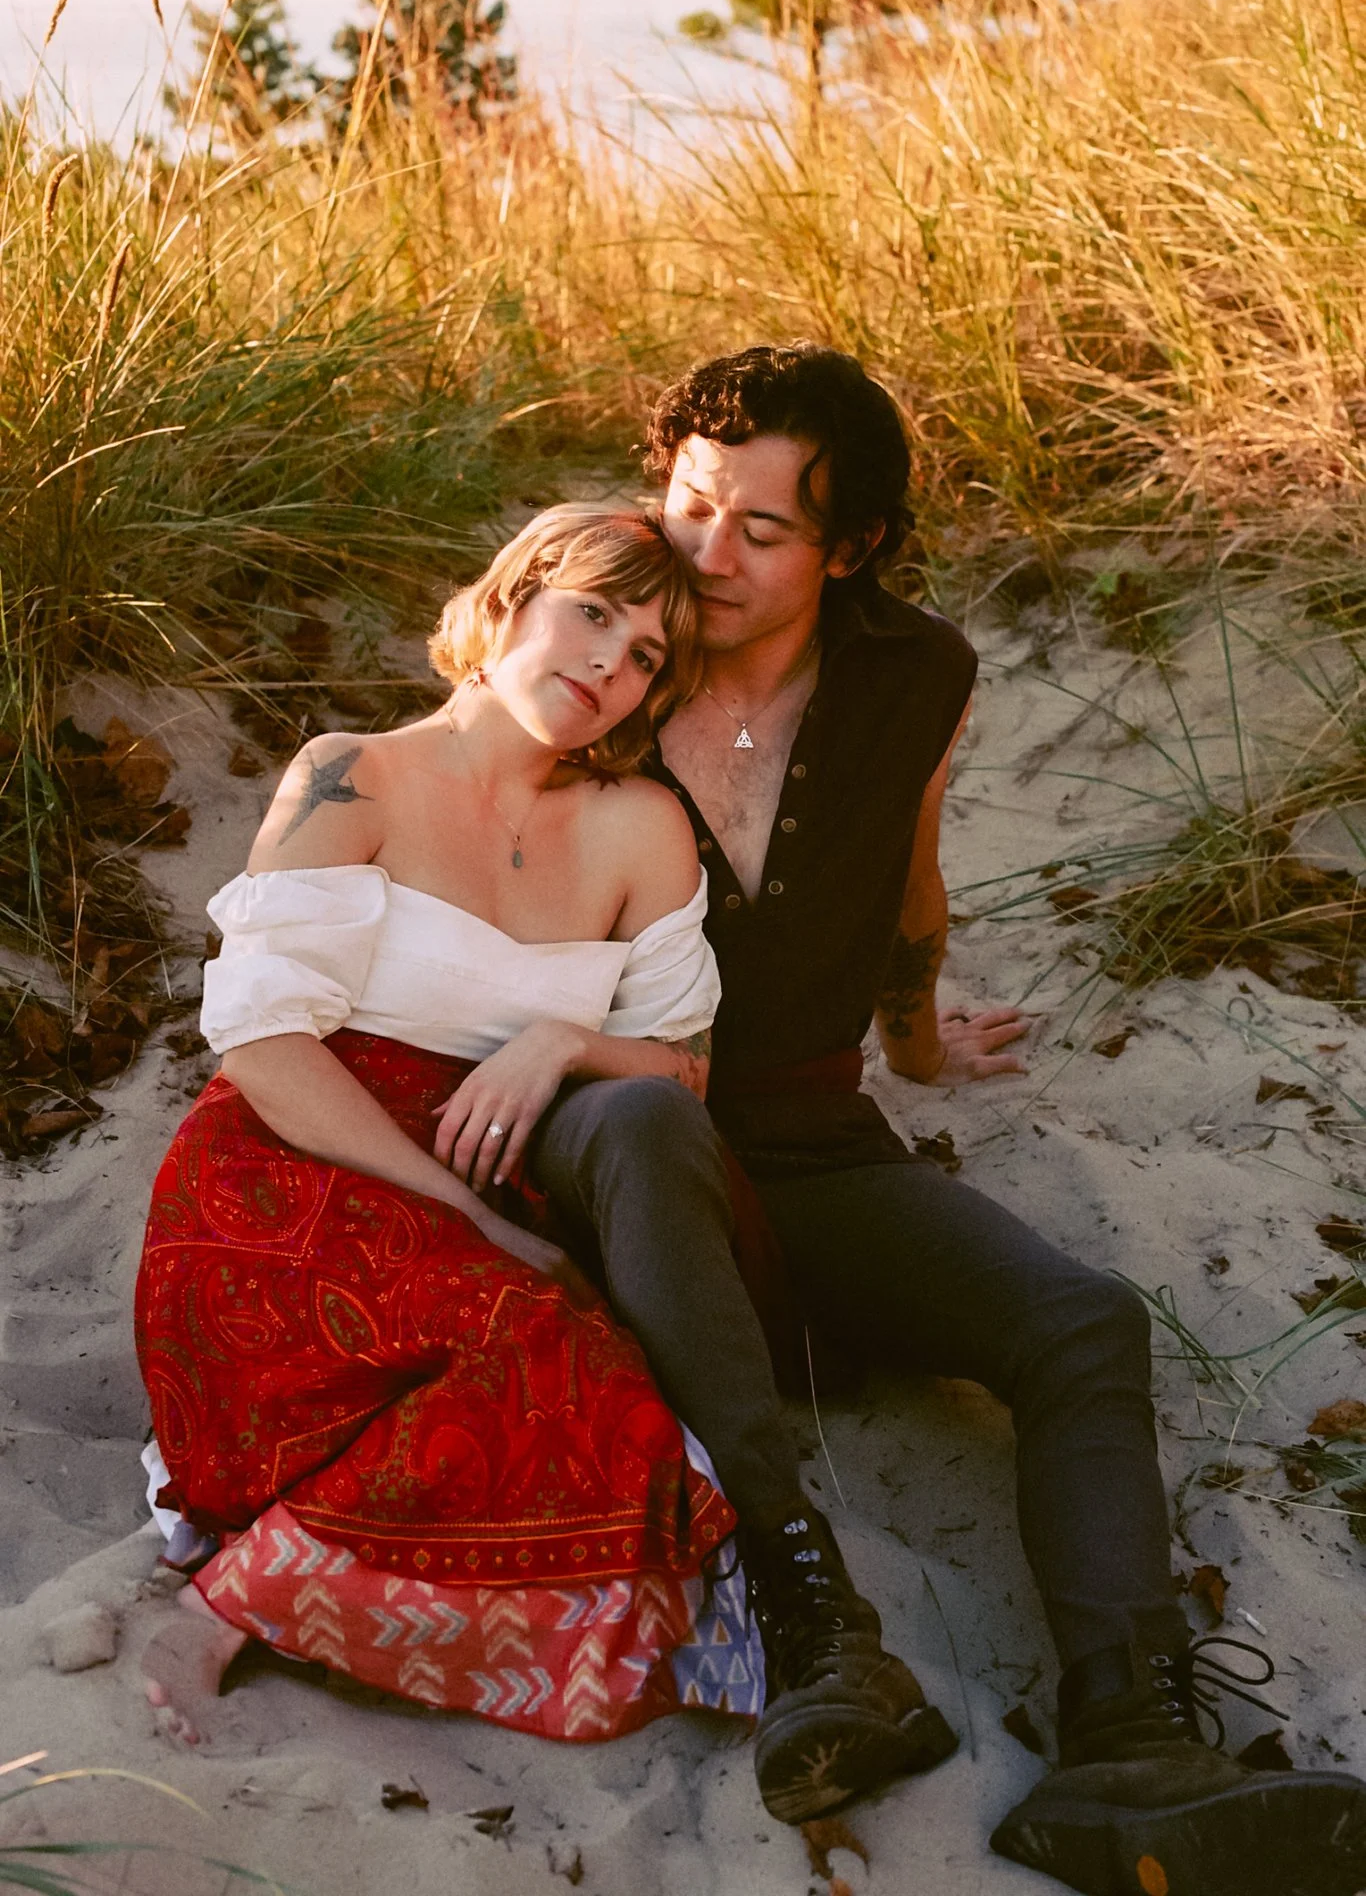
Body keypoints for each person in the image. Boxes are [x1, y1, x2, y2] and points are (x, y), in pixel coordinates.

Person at [527, 348, 1366, 1894]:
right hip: (607, 1143)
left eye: (759, 531)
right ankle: (822, 1641)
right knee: (644, 1141)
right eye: (692, 504)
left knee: (1083, 1325)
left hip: (806, 1136)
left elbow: (907, 887)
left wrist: (917, 1046)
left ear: (847, 549)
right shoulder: (595, 643)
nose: (705, 555)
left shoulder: (916, 673)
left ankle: (1126, 1743)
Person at [134, 505, 765, 1748]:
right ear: (513, 595)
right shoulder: (350, 770)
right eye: (591, 611)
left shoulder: (640, 822)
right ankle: (240, 1602)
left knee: (611, 1416)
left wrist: (564, 1042)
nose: (607, 664)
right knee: (519, 1331)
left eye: (645, 653)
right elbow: (263, 1040)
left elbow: (680, 1069)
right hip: (293, 1161)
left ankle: (273, 1584)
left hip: (497, 1168)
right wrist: (464, 1213)